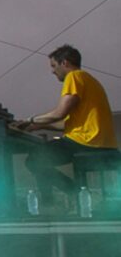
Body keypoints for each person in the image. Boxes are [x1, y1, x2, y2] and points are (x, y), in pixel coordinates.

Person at [14, 44, 118, 210]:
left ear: (65, 63)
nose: (52, 71)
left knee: (35, 159)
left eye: (54, 66)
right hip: (103, 143)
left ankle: (57, 201)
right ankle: (74, 194)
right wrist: (34, 126)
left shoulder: (74, 77)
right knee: (41, 156)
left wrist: (30, 119)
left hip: (87, 141)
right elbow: (65, 123)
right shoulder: (90, 80)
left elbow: (60, 113)